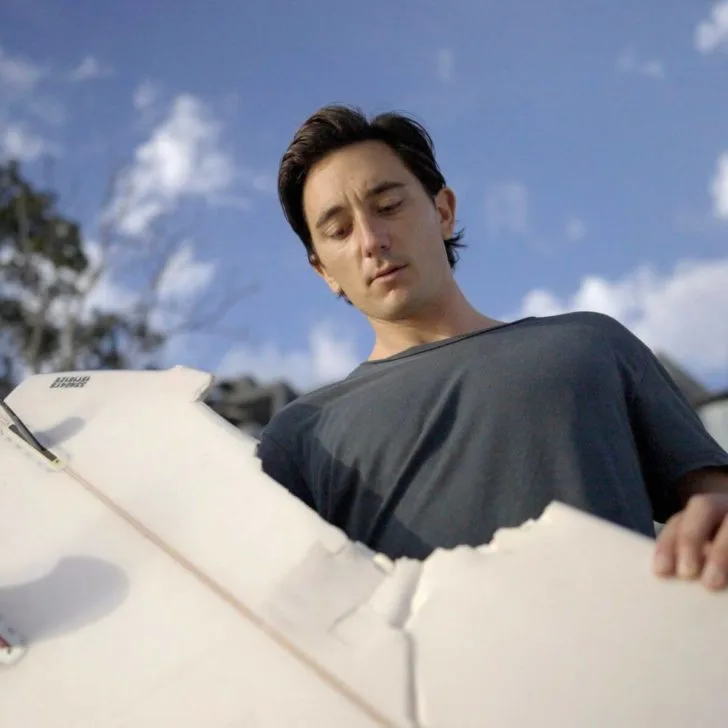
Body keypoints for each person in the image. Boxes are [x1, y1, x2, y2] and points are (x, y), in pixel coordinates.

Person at [256, 104, 728, 591]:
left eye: (389, 206)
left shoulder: (591, 344)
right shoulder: (300, 438)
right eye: (339, 231)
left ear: (442, 211)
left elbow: (716, 502)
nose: (372, 240)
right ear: (324, 271)